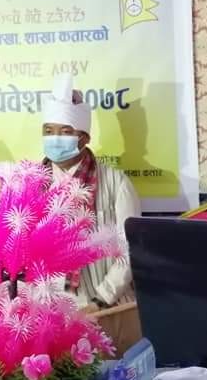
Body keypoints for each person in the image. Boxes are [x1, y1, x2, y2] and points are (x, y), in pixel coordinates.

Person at [42, 73, 141, 308]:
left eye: (65, 132)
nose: (55, 138)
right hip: (50, 307)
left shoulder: (116, 182)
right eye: (48, 130)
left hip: (107, 304)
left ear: (84, 138)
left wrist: (101, 299)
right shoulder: (33, 183)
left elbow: (131, 248)